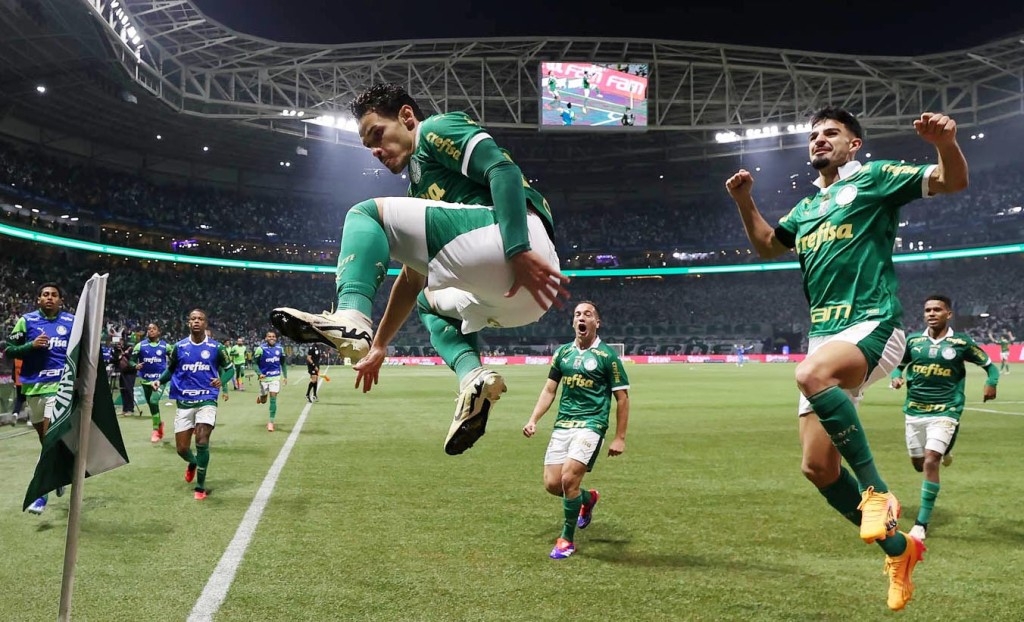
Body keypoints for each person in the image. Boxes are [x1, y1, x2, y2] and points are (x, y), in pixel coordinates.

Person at [725, 106, 969, 611]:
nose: (819, 140)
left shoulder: (876, 179)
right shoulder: (807, 208)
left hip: (873, 324)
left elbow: (951, 182)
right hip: (826, 336)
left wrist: (944, 142)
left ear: (853, 145)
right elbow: (769, 246)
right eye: (814, 135)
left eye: (831, 133)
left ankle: (878, 492)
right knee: (817, 468)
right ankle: (901, 551)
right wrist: (745, 200)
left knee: (810, 373)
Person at [271, 82, 568, 456]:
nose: (376, 151)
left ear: (407, 117)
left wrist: (518, 249)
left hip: (517, 242)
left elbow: (503, 171)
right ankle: (473, 379)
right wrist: (379, 346)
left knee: (364, 214)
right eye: (368, 146)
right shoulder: (419, 191)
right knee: (430, 301)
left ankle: (351, 313)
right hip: (524, 300)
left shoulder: (434, 130)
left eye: (377, 134)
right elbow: (411, 282)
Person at [522, 301, 630, 559]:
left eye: (588, 314)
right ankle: (587, 498)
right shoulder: (562, 354)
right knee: (552, 484)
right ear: (573, 322)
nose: (582, 317)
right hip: (563, 424)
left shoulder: (607, 357)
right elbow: (550, 390)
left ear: (596, 323)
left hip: (592, 425)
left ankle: (566, 539)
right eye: (577, 314)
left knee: (569, 479)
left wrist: (619, 437)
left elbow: (623, 399)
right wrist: (533, 418)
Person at [890, 295, 997, 541]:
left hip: (946, 409)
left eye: (937, 309)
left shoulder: (961, 342)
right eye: (927, 309)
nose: (931, 313)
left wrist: (991, 383)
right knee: (918, 464)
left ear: (948, 314)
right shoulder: (914, 341)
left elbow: (990, 366)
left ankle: (921, 525)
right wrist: (896, 376)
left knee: (931, 461)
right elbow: (900, 364)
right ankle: (946, 449)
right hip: (915, 410)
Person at [4, 283, 74, 514]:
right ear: (38, 299)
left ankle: (40, 495)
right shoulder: (27, 321)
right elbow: (10, 351)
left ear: (60, 300)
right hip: (34, 389)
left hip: (59, 389)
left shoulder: (72, 322)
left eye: (54, 295)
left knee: (51, 441)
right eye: (46, 295)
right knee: (47, 442)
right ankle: (59, 475)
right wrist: (30, 346)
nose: (50, 298)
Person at [151, 309, 232, 500]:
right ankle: (193, 462)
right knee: (182, 449)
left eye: (200, 319)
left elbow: (230, 370)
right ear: (188, 323)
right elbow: (171, 370)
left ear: (206, 324)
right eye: (193, 319)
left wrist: (222, 380)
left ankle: (200, 487)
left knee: (202, 440)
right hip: (184, 402)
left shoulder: (216, 347)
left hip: (207, 399)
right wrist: (159, 381)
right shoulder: (178, 347)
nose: (196, 321)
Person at [131, 322, 171, 443]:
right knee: (151, 405)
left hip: (160, 380)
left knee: (154, 401)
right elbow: (131, 361)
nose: (151, 330)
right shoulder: (140, 346)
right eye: (149, 329)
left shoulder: (166, 346)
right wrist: (135, 365)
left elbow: (175, 360)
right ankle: (159, 426)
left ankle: (155, 430)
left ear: (159, 332)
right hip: (145, 380)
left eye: (154, 329)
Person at [254, 331, 287, 432]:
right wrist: (259, 374)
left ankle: (271, 423)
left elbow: (283, 363)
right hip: (264, 378)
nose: (271, 338)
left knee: (273, 398)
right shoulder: (260, 349)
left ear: (276, 338)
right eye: (269, 336)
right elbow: (254, 364)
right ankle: (261, 397)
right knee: (264, 401)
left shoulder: (280, 349)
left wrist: (285, 376)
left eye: (273, 336)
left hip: (275, 377)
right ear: (266, 338)